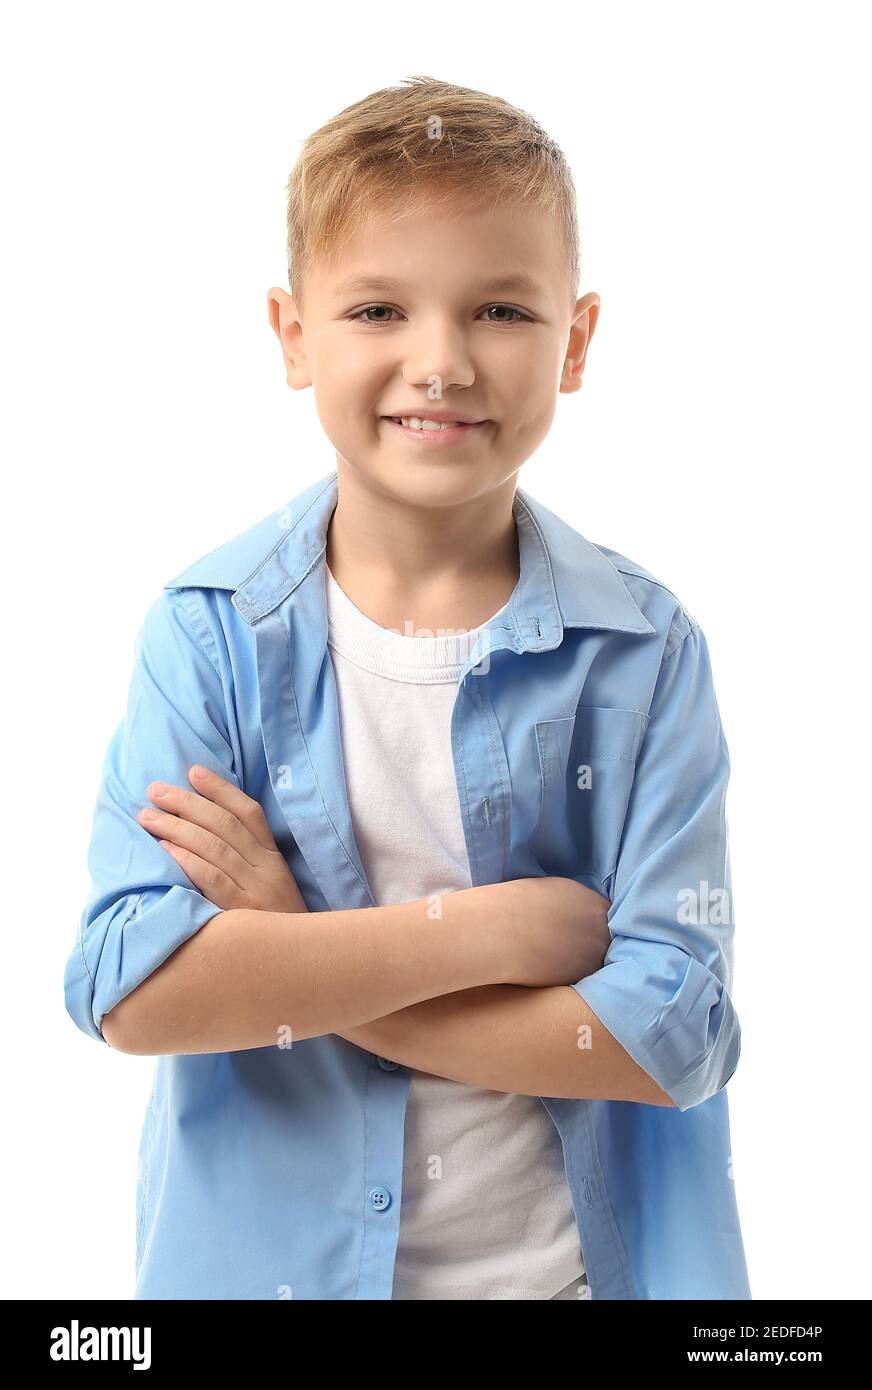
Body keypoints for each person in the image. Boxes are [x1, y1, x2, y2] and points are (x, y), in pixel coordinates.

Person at [63, 75, 750, 1300]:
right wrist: (480, 934)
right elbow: (135, 993)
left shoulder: (643, 654)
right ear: (292, 335)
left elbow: (670, 1037)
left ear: (575, 341)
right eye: (378, 308)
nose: (438, 364)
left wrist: (292, 947)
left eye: (497, 308)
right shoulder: (210, 636)